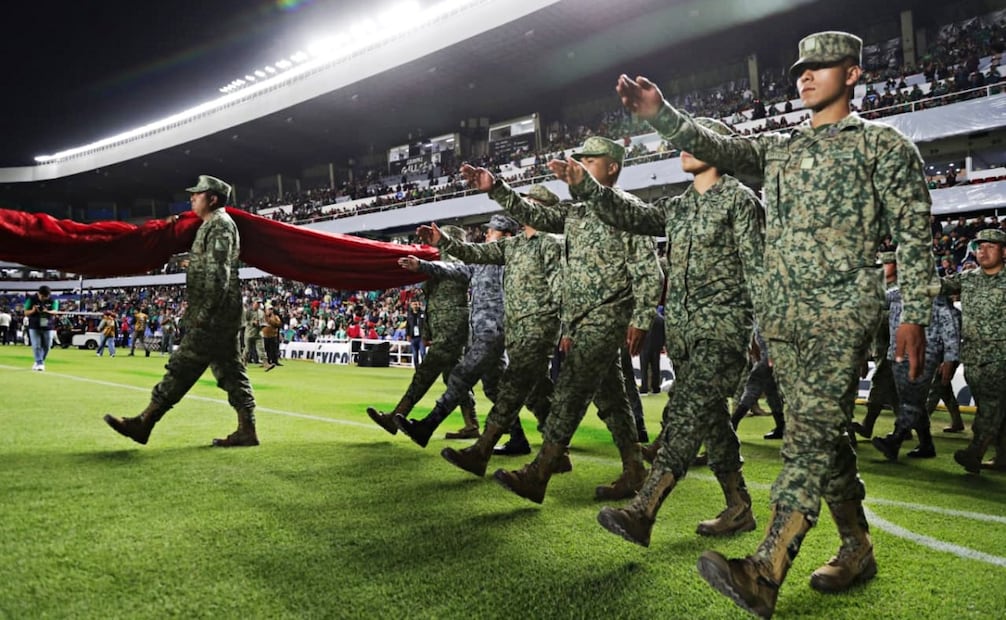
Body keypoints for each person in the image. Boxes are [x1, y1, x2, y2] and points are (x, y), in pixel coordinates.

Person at [617, 30, 931, 617]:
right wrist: (662, 116)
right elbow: (719, 145)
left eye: (823, 67)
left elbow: (914, 235)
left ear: (853, 74)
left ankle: (766, 567)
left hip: (843, 311)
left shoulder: (884, 148)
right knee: (822, 435)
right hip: (786, 316)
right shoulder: (780, 150)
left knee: (808, 434)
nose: (806, 76)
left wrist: (913, 312)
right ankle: (857, 545)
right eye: (801, 70)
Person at [591, 117, 764, 547]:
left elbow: (759, 272)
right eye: (679, 142)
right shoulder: (679, 206)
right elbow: (630, 214)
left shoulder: (741, 202)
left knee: (686, 415)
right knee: (712, 420)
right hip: (686, 336)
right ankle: (739, 506)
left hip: (722, 332)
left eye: (692, 141)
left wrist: (769, 329)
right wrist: (585, 187)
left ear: (717, 148)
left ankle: (643, 511)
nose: (681, 148)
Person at [461, 135, 662, 505]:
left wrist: (642, 317)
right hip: (583, 318)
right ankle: (634, 468)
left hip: (608, 315)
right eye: (579, 158)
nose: (581, 163)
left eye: (590, 159)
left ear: (612, 166)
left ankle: (539, 473)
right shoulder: (577, 214)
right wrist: (497, 189)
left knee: (568, 391)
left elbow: (648, 269)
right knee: (612, 398)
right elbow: (536, 215)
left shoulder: (625, 209)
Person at [104, 175, 259, 447]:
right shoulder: (209, 225)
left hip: (215, 313)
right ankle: (247, 429)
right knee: (231, 371)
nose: (192, 198)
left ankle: (145, 422)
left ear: (212, 198)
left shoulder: (220, 225)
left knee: (182, 366)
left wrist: (205, 313)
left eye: (197, 194)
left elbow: (218, 273)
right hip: (220, 312)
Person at [436, 186, 565, 476]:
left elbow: (559, 289)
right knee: (535, 392)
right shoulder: (515, 246)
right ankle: (558, 452)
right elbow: (471, 253)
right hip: (517, 329)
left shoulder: (551, 243)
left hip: (537, 327)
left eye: (531, 203)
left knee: (514, 387)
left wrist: (564, 324)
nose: (524, 207)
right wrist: (441, 241)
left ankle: (481, 451)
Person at [394, 216, 512, 445]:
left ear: (507, 235)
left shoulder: (509, 257)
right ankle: (519, 438)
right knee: (494, 387)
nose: (486, 234)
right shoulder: (480, 260)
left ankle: (427, 427)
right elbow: (457, 268)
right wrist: (422, 265)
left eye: (493, 231)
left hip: (494, 330)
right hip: (483, 331)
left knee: (461, 377)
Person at [365, 225, 477, 437]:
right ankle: (471, 424)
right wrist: (427, 332)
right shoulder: (436, 263)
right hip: (441, 326)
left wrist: (424, 265)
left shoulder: (456, 262)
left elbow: (449, 270)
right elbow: (429, 300)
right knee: (454, 377)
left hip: (452, 326)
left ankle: (397, 415)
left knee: (426, 371)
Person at [871, 253, 958, 461]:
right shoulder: (898, 292)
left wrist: (950, 358)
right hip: (898, 354)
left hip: (925, 354)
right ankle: (926, 444)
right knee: (912, 401)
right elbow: (877, 299)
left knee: (911, 401)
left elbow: (950, 325)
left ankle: (895, 440)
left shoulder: (935, 294)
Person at [935, 228, 1006, 474]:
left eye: (990, 246)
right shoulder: (968, 278)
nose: (982, 251)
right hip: (973, 355)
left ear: (1004, 251)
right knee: (996, 408)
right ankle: (1003, 457)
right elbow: (937, 286)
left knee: (990, 405)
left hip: (1001, 354)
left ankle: (975, 451)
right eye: (979, 247)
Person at [731, 327, 785, 440]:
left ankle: (732, 424)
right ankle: (781, 426)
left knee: (753, 387)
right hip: (769, 357)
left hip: (772, 356)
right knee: (771, 391)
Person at [24, 285, 59, 371]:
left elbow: (55, 311)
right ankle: (40, 363)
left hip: (47, 324)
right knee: (36, 345)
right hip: (34, 324)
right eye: (42, 297)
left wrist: (47, 311)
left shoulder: (53, 300)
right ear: (39, 294)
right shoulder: (31, 299)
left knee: (47, 345)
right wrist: (33, 310)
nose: (44, 299)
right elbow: (25, 312)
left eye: (46, 297)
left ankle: (39, 361)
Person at [406, 298, 426, 368]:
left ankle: (424, 368)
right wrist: (407, 335)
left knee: (423, 353)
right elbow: (407, 326)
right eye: (414, 304)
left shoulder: (423, 314)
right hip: (413, 337)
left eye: (416, 304)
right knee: (415, 354)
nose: (415, 306)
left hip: (421, 337)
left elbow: (426, 325)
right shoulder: (409, 315)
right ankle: (417, 368)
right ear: (411, 305)